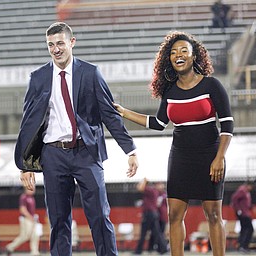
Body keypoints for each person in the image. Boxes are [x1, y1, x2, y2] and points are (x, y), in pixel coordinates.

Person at [14, 22, 139, 256]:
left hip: (86, 153)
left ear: (72, 42)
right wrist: (25, 163)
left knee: (100, 216)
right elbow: (28, 122)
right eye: (50, 45)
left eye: (60, 43)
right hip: (53, 155)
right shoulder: (38, 77)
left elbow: (109, 114)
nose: (55, 49)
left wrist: (129, 150)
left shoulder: (90, 73)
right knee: (59, 220)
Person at [114, 31, 234, 256]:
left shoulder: (212, 85)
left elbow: (228, 126)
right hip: (180, 157)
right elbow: (159, 123)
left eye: (184, 51)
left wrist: (219, 158)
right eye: (173, 52)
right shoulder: (169, 91)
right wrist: (124, 112)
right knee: (174, 216)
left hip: (210, 155)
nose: (178, 55)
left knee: (214, 215)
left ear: (193, 56)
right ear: (168, 59)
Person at [134, 178, 168, 255]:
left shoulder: (150, 190)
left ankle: (138, 251)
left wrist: (144, 179)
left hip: (149, 214)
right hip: (153, 214)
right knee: (157, 232)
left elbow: (139, 187)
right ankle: (163, 249)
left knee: (144, 233)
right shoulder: (155, 191)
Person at [6, 187, 40, 256]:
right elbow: (22, 209)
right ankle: (10, 247)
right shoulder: (24, 197)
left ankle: (35, 252)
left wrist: (34, 218)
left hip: (32, 219)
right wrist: (30, 217)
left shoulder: (32, 198)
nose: (33, 190)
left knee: (35, 235)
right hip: (26, 219)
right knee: (25, 236)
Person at [230, 182, 255, 253]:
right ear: (248, 185)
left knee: (244, 229)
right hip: (243, 214)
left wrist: (251, 207)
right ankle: (243, 246)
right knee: (250, 229)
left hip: (245, 212)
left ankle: (241, 246)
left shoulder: (246, 192)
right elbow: (234, 198)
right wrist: (238, 209)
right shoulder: (242, 190)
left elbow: (245, 203)